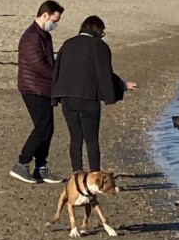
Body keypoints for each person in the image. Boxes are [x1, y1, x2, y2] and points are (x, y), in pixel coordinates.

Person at [51, 15, 137, 174]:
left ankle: (77, 172)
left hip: (67, 98)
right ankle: (95, 174)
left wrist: (55, 95)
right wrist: (122, 86)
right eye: (102, 32)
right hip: (88, 98)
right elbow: (104, 74)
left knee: (75, 139)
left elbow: (57, 70)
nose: (102, 35)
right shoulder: (98, 46)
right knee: (91, 140)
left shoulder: (67, 44)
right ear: (97, 30)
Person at [10, 0, 63, 184]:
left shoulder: (44, 35)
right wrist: (58, 77)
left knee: (48, 127)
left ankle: (41, 166)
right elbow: (38, 65)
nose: (55, 24)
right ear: (45, 15)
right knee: (42, 126)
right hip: (33, 87)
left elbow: (49, 62)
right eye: (54, 20)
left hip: (44, 87)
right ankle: (22, 163)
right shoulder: (32, 36)